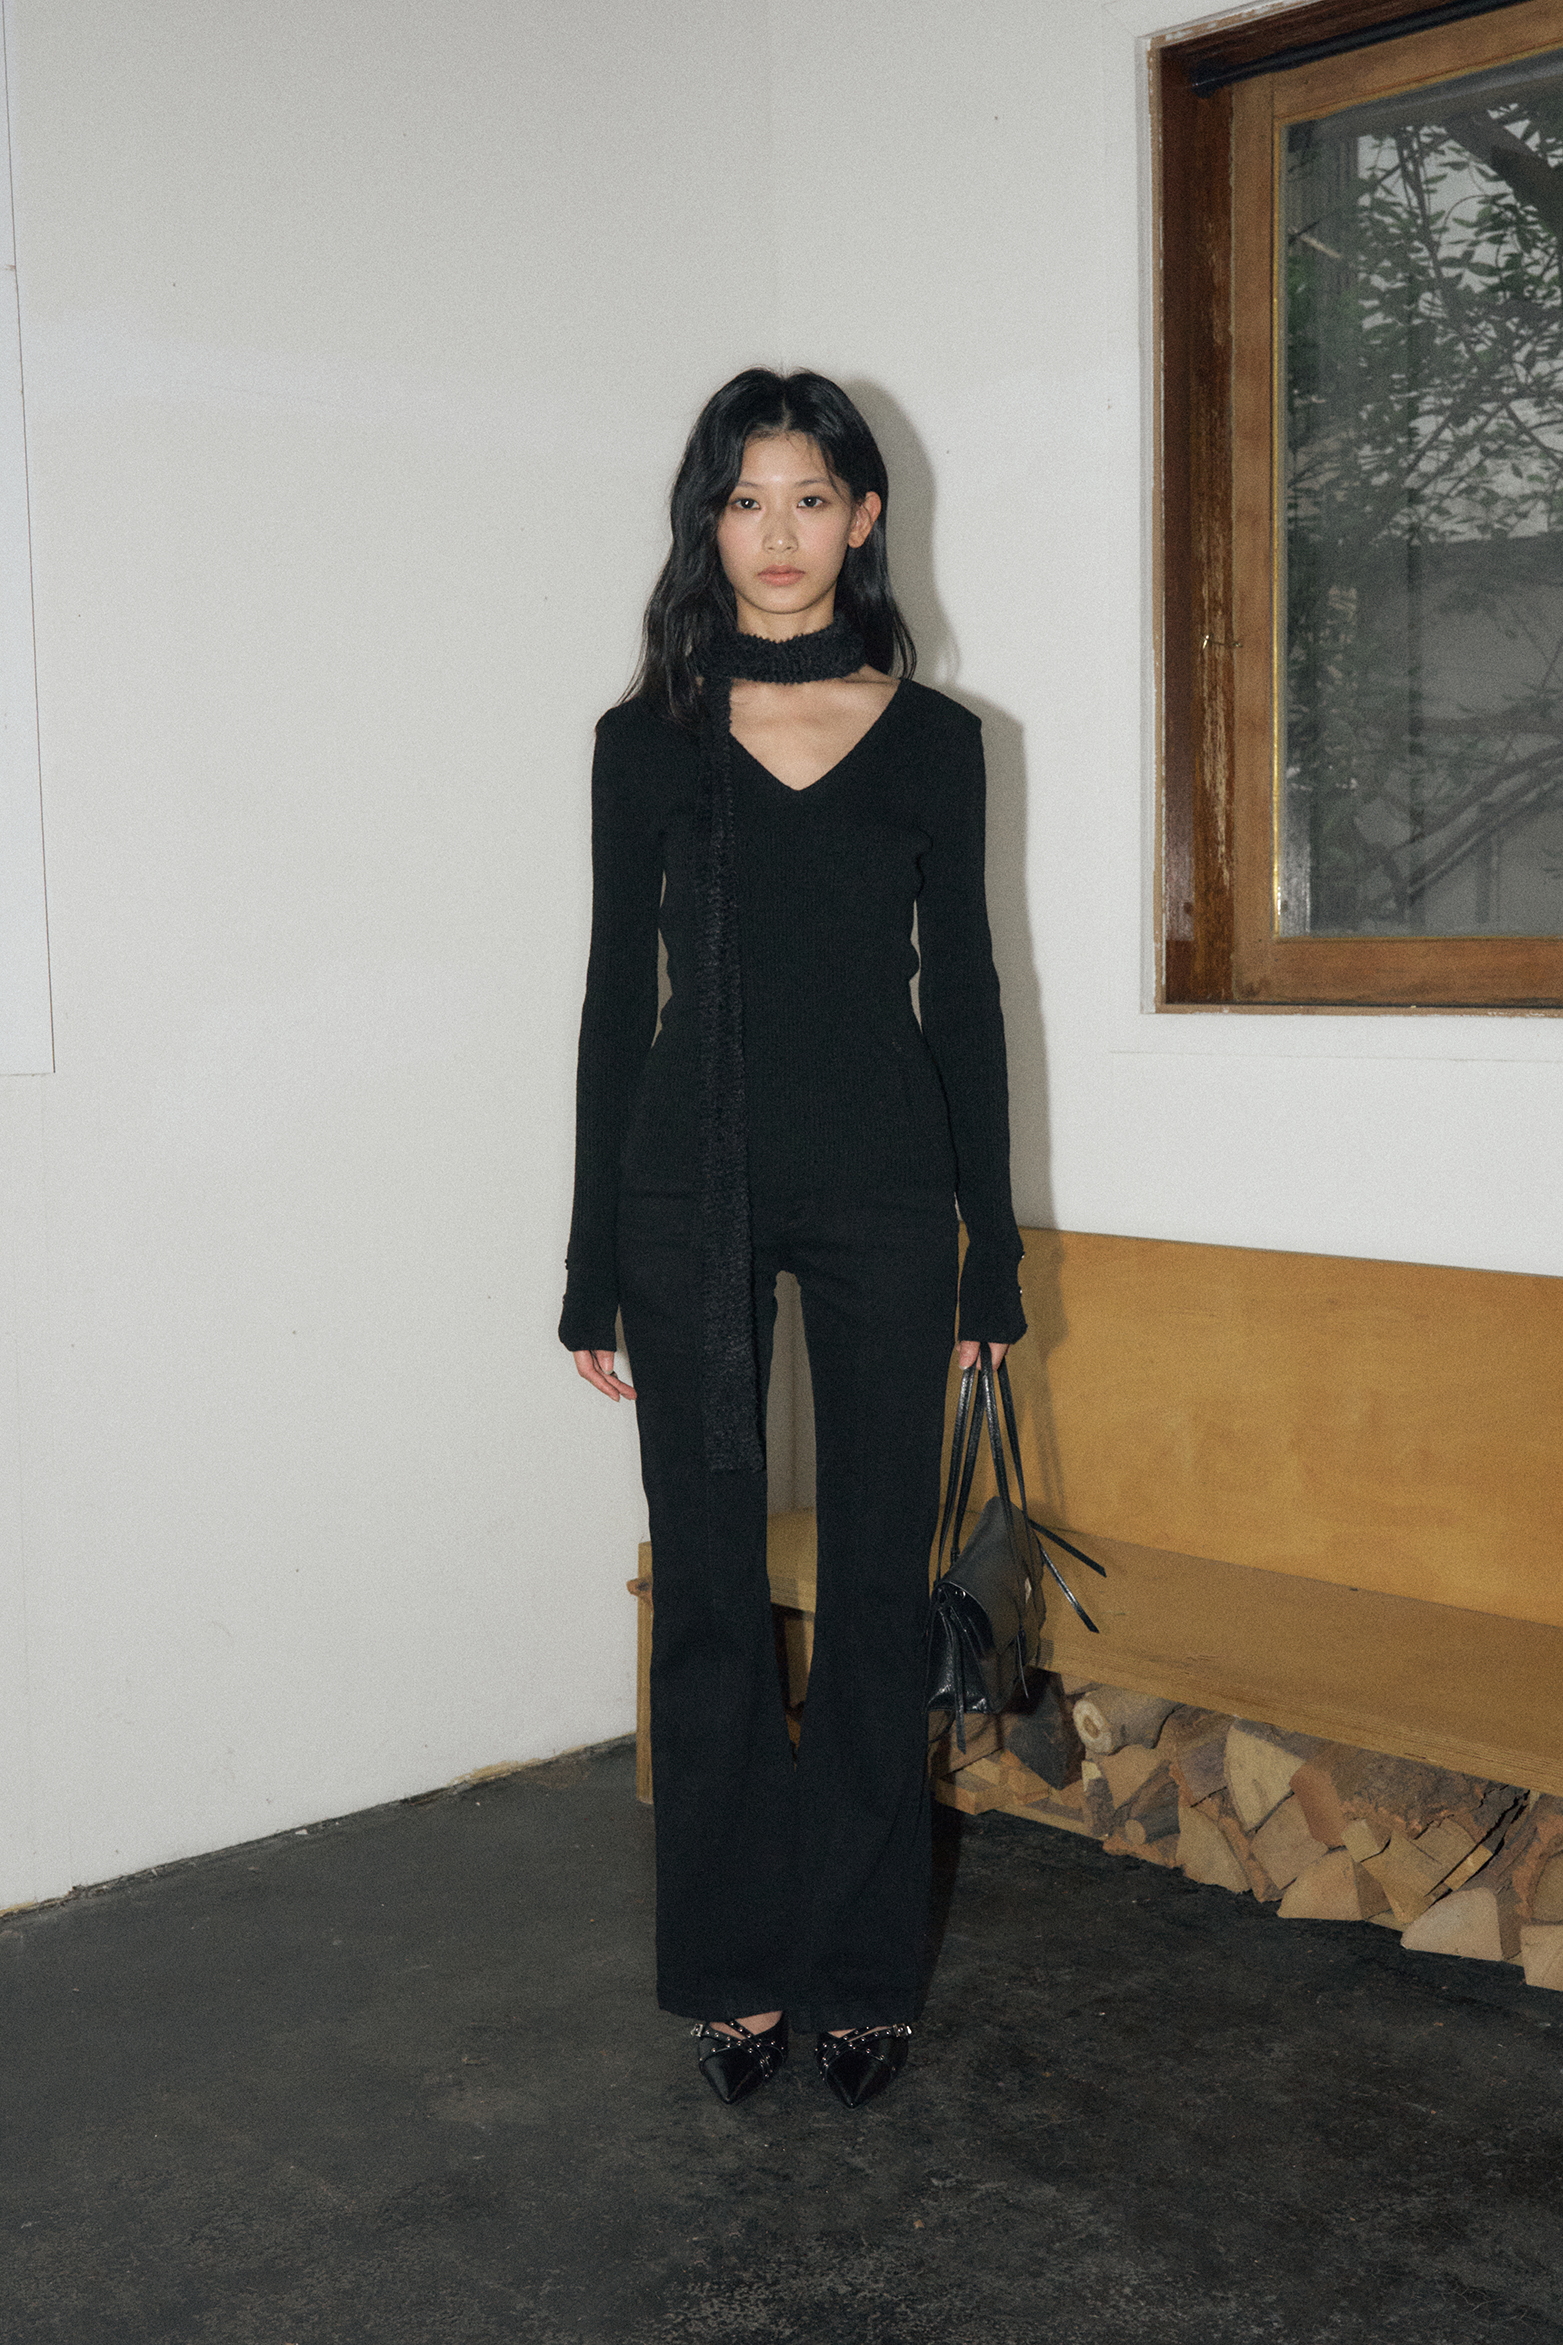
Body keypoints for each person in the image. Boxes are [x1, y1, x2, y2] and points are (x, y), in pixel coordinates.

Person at [559, 369, 1025, 2108]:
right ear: (709, 520)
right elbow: (615, 1000)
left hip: (889, 1196)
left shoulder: (937, 742)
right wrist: (587, 1258)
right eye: (745, 499)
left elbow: (965, 999)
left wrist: (994, 1251)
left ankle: (862, 1966)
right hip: (686, 1194)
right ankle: (733, 1968)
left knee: (877, 1586)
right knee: (707, 1590)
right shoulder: (646, 740)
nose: (777, 533)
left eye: (810, 498)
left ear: (863, 517)